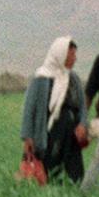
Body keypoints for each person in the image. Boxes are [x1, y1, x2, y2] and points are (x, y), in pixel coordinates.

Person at [21, 36, 86, 183]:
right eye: (71, 54)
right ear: (61, 54)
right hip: (50, 133)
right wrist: (27, 136)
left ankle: (76, 193)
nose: (74, 58)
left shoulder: (73, 78)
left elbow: (82, 106)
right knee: (51, 168)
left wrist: (82, 124)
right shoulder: (41, 78)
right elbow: (29, 108)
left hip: (71, 133)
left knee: (74, 169)